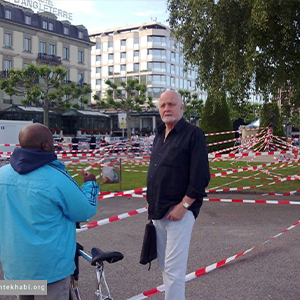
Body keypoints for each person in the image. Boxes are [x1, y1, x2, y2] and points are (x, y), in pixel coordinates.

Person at [0, 123, 99, 300]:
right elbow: (84, 210)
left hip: (15, 266)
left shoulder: (3, 175)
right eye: (52, 142)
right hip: (50, 269)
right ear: (45, 146)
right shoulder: (55, 177)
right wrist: (90, 185)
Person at [146, 90, 210, 300]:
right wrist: (151, 200)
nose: (167, 109)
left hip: (179, 213)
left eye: (172, 104)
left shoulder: (193, 134)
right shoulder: (158, 134)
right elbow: (157, 169)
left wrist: (185, 205)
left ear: (182, 107)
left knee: (174, 271)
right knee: (165, 267)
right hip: (158, 212)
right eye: (163, 105)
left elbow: (201, 176)